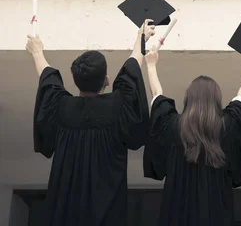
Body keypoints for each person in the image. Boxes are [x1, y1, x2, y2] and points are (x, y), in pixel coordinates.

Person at [28, 19, 155, 226]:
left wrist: (36, 51)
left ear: (76, 80)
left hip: (64, 215)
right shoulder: (118, 108)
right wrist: (139, 40)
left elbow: (48, 81)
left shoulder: (61, 108)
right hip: (107, 214)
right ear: (106, 79)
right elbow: (130, 73)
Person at [143, 46, 241, 226]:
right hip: (215, 212)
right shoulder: (227, 125)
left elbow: (157, 96)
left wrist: (151, 65)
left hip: (178, 212)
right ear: (216, 99)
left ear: (188, 98)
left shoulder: (172, 125)